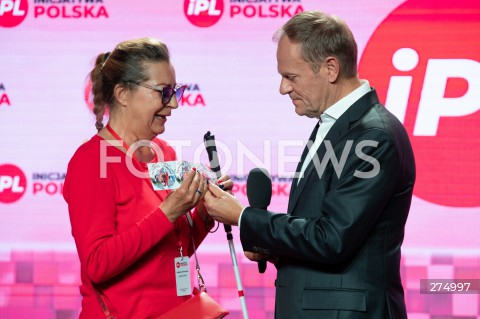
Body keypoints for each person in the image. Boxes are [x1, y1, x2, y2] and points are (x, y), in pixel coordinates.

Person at [204, 11, 415, 319]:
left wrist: (244, 216)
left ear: (330, 68)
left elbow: (332, 239)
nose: (283, 89)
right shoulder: (334, 124)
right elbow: (327, 234)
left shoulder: (373, 136)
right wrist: (272, 247)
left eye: (291, 77)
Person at [63, 37, 232, 318]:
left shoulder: (163, 153)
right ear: (123, 94)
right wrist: (169, 211)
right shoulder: (91, 161)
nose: (175, 103)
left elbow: (174, 251)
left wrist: (205, 211)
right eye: (164, 92)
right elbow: (97, 263)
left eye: (175, 90)